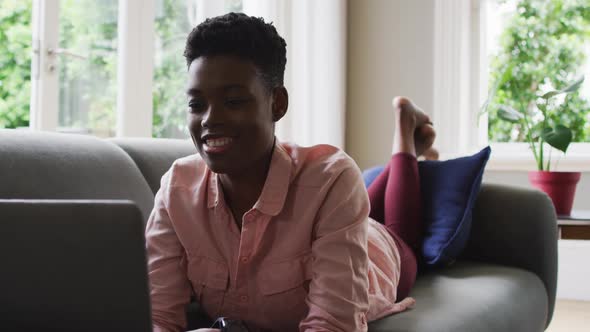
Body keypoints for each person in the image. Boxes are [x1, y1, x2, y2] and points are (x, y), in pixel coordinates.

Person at [146, 12, 436, 332]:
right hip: (338, 217)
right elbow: (157, 318)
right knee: (359, 197)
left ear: (277, 104)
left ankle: (406, 138)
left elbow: (332, 326)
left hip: (375, 252)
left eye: (233, 101)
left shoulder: (332, 178)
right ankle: (406, 157)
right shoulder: (177, 191)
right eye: (197, 105)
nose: (209, 120)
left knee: (401, 232)